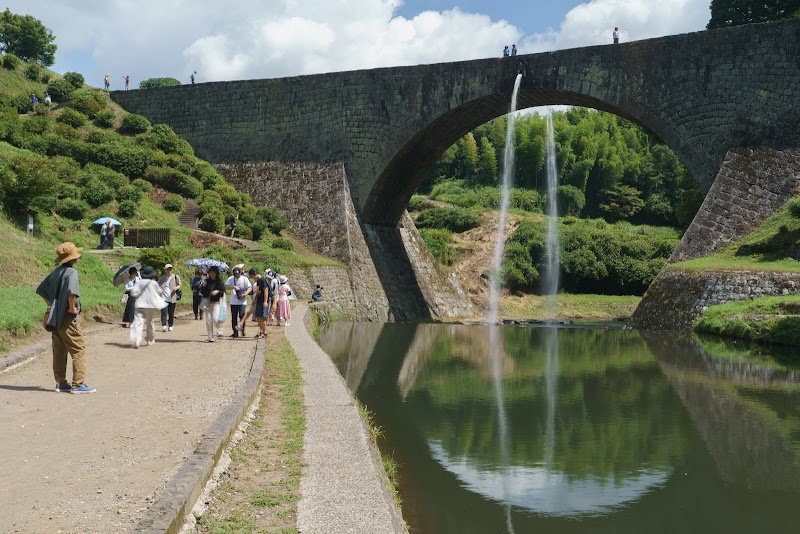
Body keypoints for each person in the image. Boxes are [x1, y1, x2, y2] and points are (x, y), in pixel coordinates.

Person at [35, 242, 96, 394]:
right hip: (68, 317)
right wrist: (72, 307)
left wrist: (52, 304)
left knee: (59, 350)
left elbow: (41, 290)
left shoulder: (56, 272)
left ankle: (61, 383)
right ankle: (78, 384)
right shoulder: (71, 273)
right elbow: (72, 292)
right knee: (78, 349)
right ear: (73, 257)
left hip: (55, 317)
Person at [128, 266, 167, 348]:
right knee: (150, 322)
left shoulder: (139, 282)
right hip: (149, 305)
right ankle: (150, 339)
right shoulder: (153, 283)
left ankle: (137, 340)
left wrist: (138, 295)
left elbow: (133, 293)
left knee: (138, 322)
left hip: (139, 304)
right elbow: (160, 292)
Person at [199, 265, 226, 342]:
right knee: (208, 320)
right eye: (211, 272)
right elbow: (203, 293)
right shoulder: (206, 281)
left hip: (216, 302)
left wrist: (217, 291)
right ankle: (210, 337)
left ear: (216, 273)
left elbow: (223, 292)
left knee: (215, 318)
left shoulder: (219, 282)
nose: (212, 274)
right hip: (207, 303)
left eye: (213, 272)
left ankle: (220, 330)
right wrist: (203, 286)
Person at [226, 267, 251, 337]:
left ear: (240, 273)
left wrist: (246, 294)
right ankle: (235, 332)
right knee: (234, 317)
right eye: (235, 274)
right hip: (233, 301)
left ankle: (242, 328)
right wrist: (233, 287)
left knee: (242, 315)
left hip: (242, 301)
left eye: (238, 274)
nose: (237, 275)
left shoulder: (244, 279)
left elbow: (250, 287)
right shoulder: (231, 279)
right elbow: (226, 287)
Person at [158, 264, 181, 331]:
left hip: (172, 297)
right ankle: (164, 325)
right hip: (163, 298)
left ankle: (170, 325)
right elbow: (157, 286)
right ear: (165, 270)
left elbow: (179, 285)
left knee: (171, 312)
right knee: (164, 312)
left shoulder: (176, 277)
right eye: (167, 269)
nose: (169, 270)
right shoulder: (162, 278)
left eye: (170, 269)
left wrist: (176, 288)